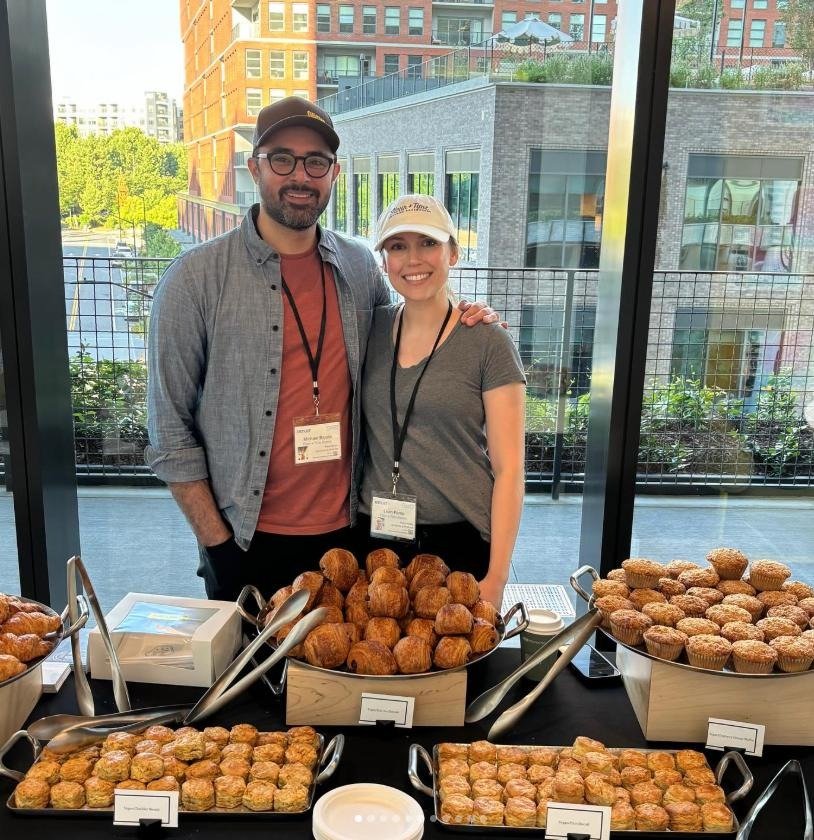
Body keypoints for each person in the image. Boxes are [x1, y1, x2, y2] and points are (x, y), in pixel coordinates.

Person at [145, 97, 497, 601]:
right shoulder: (194, 280)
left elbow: (406, 333)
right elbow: (169, 433)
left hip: (351, 535)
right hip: (244, 539)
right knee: (254, 656)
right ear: (255, 167)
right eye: (281, 159)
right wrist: (218, 546)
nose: (299, 176)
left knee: (348, 654)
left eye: (315, 162)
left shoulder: (358, 266)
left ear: (334, 173)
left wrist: (466, 319)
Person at [357, 195, 526, 608]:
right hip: (376, 539)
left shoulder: (488, 342)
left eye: (428, 243)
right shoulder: (369, 329)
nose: (413, 259)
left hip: (459, 541)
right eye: (398, 246)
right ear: (384, 263)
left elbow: (509, 471)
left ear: (453, 253)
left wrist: (497, 577)